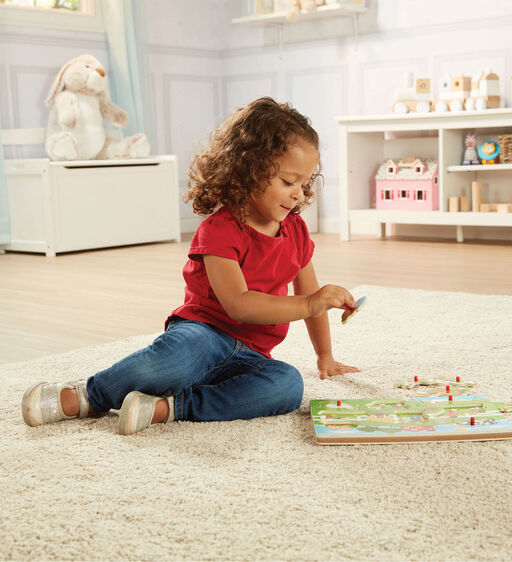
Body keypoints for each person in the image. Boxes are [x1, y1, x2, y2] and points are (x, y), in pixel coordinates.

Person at [21, 97, 359, 436]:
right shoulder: (220, 230)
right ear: (250, 170)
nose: (298, 194)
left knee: (287, 385)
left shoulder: (296, 231)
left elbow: (311, 298)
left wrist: (325, 356)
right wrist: (309, 304)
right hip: (202, 335)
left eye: (303, 184)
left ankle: (169, 408)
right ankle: (88, 395)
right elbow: (239, 304)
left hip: (251, 353)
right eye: (287, 182)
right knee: (173, 362)